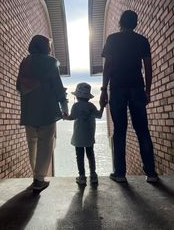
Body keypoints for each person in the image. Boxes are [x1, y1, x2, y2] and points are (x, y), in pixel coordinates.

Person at [99, 10, 158, 183]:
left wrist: (103, 89)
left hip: (117, 89)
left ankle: (120, 174)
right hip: (137, 88)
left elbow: (108, 66)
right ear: (135, 23)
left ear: (121, 22)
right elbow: (148, 67)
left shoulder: (112, 39)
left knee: (119, 131)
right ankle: (152, 174)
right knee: (142, 130)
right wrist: (147, 90)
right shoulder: (142, 40)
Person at [16, 35, 68, 192]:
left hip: (29, 111)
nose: (50, 48)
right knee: (45, 143)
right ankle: (39, 179)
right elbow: (58, 86)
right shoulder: (51, 61)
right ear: (45, 47)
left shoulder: (25, 62)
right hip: (47, 110)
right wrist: (64, 106)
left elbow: (19, 86)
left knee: (32, 143)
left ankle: (35, 176)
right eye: (49, 45)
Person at [65, 82, 104, 185]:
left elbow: (71, 117)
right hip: (89, 136)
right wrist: (102, 106)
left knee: (80, 156)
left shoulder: (76, 106)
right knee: (90, 155)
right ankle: (93, 175)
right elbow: (99, 116)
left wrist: (63, 116)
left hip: (78, 137)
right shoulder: (91, 106)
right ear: (88, 97)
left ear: (77, 96)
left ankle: (82, 177)